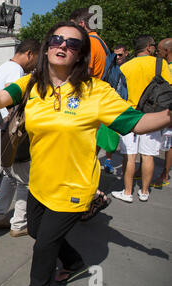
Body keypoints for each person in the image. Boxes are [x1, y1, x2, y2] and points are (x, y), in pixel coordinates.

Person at [0, 21, 172, 286]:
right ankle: (75, 263)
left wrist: (168, 116)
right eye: (56, 40)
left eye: (73, 43)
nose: (63, 45)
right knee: (35, 231)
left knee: (43, 246)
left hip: (74, 187)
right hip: (39, 182)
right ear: (46, 48)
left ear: (80, 54)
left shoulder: (96, 91)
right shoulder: (31, 84)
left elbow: (135, 123)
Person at [0, 39, 40, 237]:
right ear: (29, 54)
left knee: (9, 177)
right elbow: (15, 105)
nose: (35, 65)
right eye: (35, 59)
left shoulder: (0, 69)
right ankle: (19, 223)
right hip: (13, 135)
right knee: (24, 181)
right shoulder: (16, 71)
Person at [111, 36, 172, 202]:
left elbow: (118, 92)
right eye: (153, 45)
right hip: (153, 115)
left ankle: (128, 191)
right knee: (148, 156)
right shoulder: (160, 64)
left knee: (129, 156)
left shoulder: (126, 67)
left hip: (130, 114)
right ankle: (144, 192)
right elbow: (168, 88)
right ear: (148, 47)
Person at [71, 8, 117, 181]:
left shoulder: (89, 42)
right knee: (91, 152)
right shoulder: (102, 42)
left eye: (75, 26)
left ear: (82, 24)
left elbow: (86, 71)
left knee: (83, 152)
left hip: (86, 99)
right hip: (97, 98)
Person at [150, 38, 172, 188]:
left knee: (169, 144)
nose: (158, 53)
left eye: (159, 50)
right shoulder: (166, 66)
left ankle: (164, 175)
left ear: (167, 51)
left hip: (168, 111)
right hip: (162, 109)